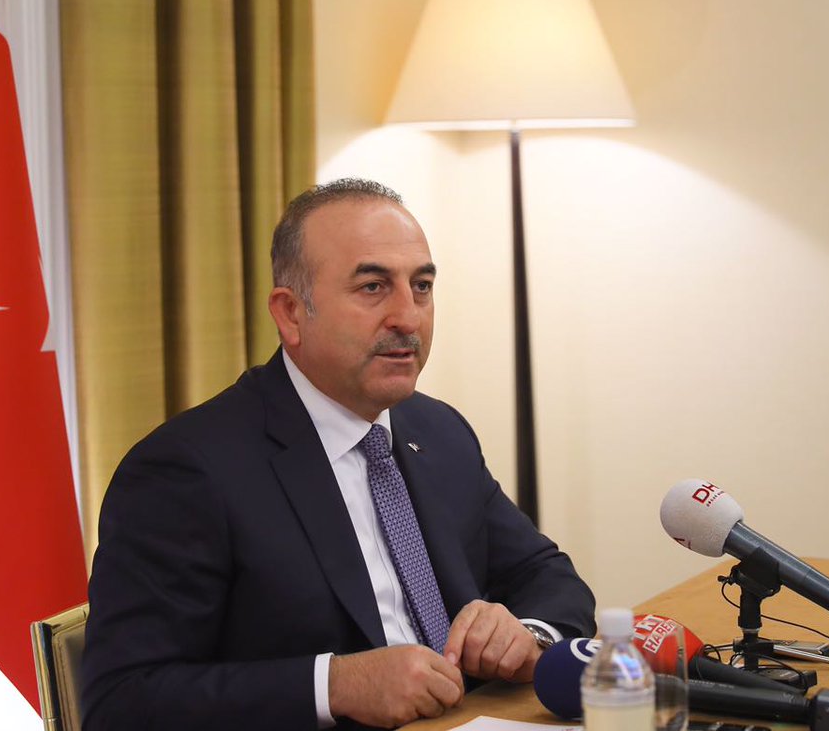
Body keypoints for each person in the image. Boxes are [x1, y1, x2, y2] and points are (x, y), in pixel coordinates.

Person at [81, 178, 595, 730]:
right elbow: (121, 702)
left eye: (421, 287)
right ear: (290, 313)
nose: (408, 317)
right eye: (373, 287)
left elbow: (547, 575)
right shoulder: (186, 471)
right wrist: (334, 685)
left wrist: (528, 634)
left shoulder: (437, 429)